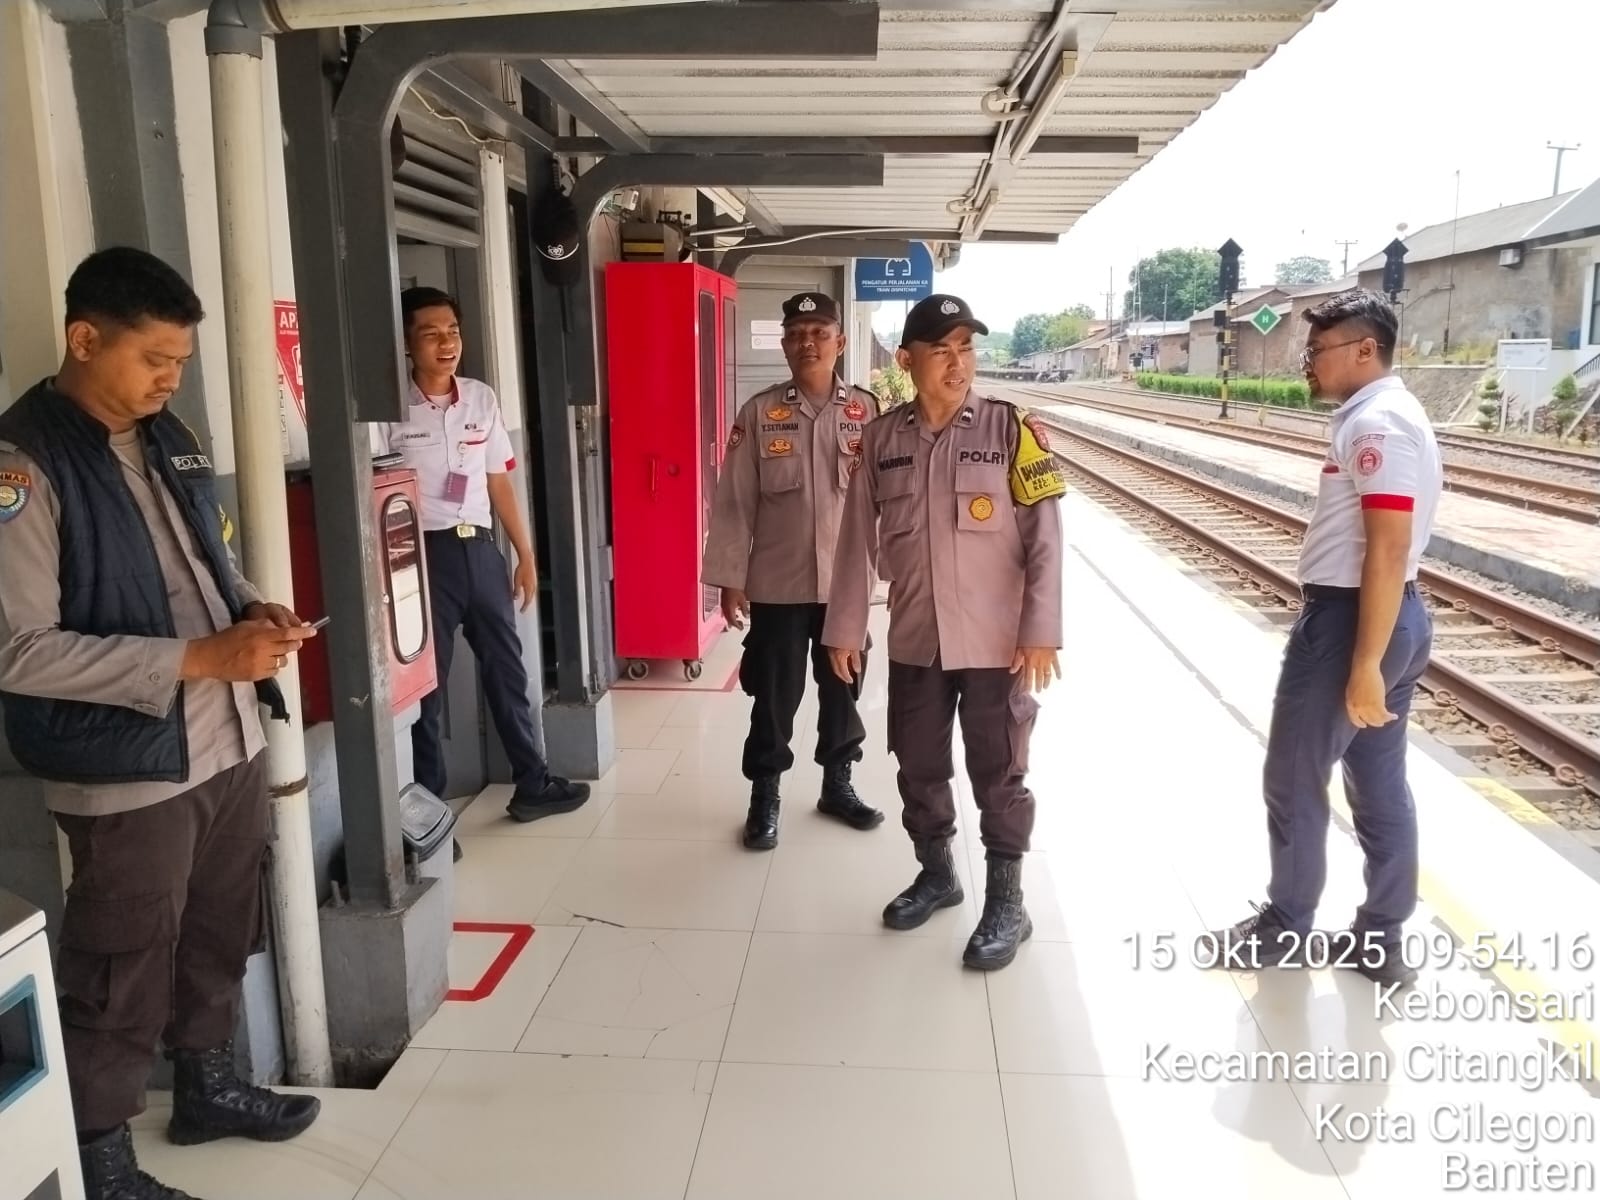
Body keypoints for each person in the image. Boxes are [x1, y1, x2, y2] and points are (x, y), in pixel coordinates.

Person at [0, 246, 321, 1200]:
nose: (170, 378)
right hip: (127, 767)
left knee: (221, 927)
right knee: (121, 962)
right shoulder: (23, 464)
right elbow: (19, 651)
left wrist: (251, 606)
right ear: (83, 338)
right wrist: (200, 659)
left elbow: (203, 560)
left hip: (226, 740)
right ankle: (100, 1154)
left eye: (180, 360)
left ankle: (207, 1087)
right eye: (153, 358)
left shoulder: (166, 433)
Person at [1200, 289, 1440, 987]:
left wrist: (1364, 662)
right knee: (1379, 783)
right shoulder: (1387, 413)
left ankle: (1286, 925)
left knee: (1293, 776)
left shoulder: (1378, 424)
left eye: (1318, 350)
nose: (1308, 362)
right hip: (1391, 616)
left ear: (1366, 349)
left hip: (1351, 623)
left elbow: (1387, 548)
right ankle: (1380, 940)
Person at [823, 293, 1066, 970]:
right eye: (942, 351)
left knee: (999, 771)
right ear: (907, 361)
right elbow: (855, 543)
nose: (959, 364)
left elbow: (1046, 537)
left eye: (967, 349)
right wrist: (844, 628)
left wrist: (1041, 628)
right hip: (916, 639)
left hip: (995, 643)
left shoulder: (1011, 428)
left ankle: (1008, 904)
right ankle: (937, 874)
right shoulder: (881, 440)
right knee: (919, 765)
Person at [378, 287, 588, 824]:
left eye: (452, 331)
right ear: (406, 344)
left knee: (508, 672)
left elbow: (498, 482)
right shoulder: (388, 408)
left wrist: (524, 554)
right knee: (427, 688)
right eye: (431, 334)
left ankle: (532, 783)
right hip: (419, 559)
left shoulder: (480, 398)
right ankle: (429, 814)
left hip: (480, 549)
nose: (446, 343)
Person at [703, 291, 885, 848]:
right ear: (784, 345)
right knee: (774, 693)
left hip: (845, 586)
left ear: (840, 342)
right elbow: (734, 502)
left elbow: (889, 499)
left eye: (819, 333)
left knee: (843, 689)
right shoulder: (760, 412)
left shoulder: (867, 411)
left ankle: (838, 784)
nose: (808, 342)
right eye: (797, 334)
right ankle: (765, 795)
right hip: (778, 584)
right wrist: (731, 577)